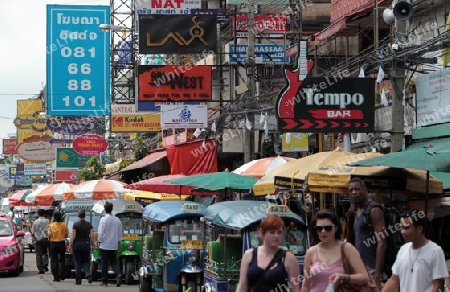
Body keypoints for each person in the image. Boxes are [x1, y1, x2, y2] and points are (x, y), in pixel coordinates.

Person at [301, 210, 369, 292]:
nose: (323, 231)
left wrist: (344, 277)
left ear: (336, 228)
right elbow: (306, 285)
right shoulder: (311, 252)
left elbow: (364, 277)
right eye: (319, 228)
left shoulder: (347, 249)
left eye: (328, 228)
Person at [382, 209, 447, 292]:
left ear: (419, 229)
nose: (402, 232)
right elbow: (394, 280)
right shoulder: (403, 249)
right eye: (401, 228)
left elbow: (438, 285)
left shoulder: (435, 251)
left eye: (406, 228)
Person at [236, 215, 301, 292]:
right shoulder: (249, 255)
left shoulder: (288, 258)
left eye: (279, 232)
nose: (276, 236)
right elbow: (242, 286)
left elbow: (295, 289)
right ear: (262, 233)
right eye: (272, 232)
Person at [349, 177, 385, 291]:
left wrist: (377, 274)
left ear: (366, 190)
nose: (354, 192)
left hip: (372, 269)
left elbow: (382, 243)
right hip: (361, 268)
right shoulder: (357, 211)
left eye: (357, 189)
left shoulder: (374, 210)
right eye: (351, 190)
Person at [98, 201, 123, 287]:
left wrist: (99, 241)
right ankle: (118, 273)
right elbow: (120, 234)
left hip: (104, 245)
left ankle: (105, 282)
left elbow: (100, 232)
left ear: (105, 209)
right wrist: (118, 245)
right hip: (114, 245)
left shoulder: (103, 219)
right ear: (112, 209)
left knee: (104, 263)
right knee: (113, 262)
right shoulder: (117, 220)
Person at [69, 209, 94, 285]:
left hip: (77, 244)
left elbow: (73, 236)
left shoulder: (75, 225)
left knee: (78, 262)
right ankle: (87, 273)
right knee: (86, 261)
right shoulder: (89, 225)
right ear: (85, 215)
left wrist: (70, 245)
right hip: (86, 244)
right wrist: (93, 244)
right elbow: (92, 236)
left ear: (78, 216)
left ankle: (78, 280)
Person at [48, 211, 68, 282]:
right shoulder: (64, 225)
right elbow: (66, 235)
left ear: (54, 217)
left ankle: (56, 277)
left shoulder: (51, 225)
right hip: (61, 243)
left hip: (53, 244)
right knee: (62, 260)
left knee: (54, 261)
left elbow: (49, 235)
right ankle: (62, 275)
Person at [31, 209, 50, 274]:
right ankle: (45, 263)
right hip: (45, 239)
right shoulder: (47, 221)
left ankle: (41, 269)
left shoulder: (35, 222)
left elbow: (33, 232)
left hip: (38, 240)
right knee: (45, 252)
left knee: (38, 255)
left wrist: (35, 239)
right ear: (44, 214)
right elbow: (50, 230)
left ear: (38, 214)